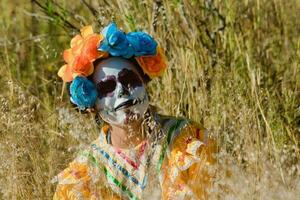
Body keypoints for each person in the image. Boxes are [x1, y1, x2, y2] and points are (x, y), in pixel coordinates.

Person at [53, 23, 215, 200]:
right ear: (92, 103)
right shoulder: (84, 175)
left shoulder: (184, 140)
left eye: (129, 80)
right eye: (107, 87)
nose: (122, 91)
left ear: (144, 83)